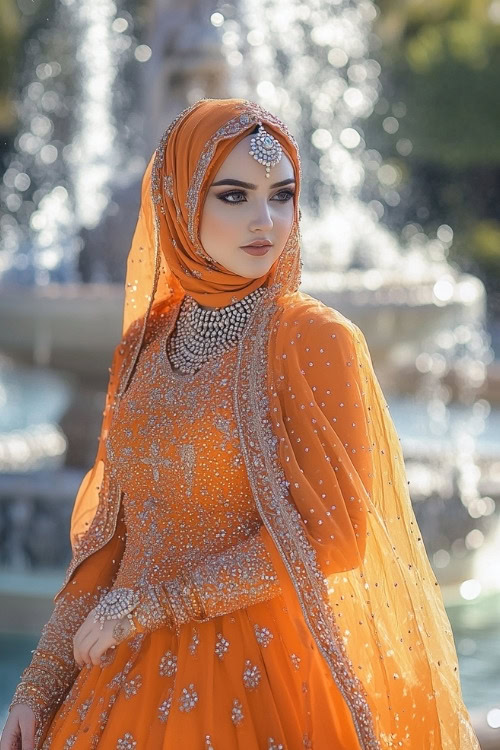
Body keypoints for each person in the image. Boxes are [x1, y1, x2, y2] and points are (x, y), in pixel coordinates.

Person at [1, 98, 480, 750]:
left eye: (282, 196)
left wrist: (154, 606)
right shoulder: (144, 342)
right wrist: (40, 681)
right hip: (117, 669)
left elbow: (333, 537)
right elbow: (106, 540)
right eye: (234, 195)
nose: (266, 220)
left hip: (257, 673)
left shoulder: (311, 338)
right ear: (179, 201)